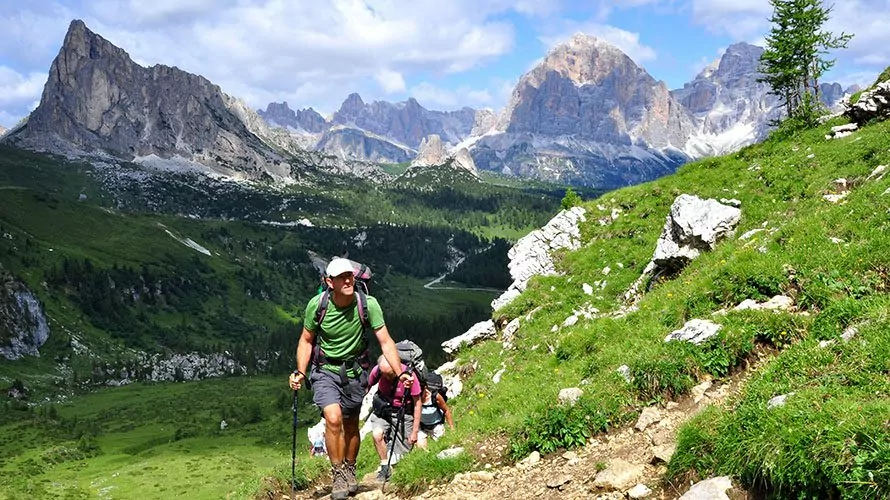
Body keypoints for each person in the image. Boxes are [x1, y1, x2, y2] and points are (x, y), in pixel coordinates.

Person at [288, 258, 412, 500]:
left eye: (350, 275)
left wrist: (401, 372)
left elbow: (385, 340)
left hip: (355, 373)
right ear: (329, 282)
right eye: (341, 277)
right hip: (324, 371)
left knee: (352, 425)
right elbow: (306, 339)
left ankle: (350, 467)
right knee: (333, 419)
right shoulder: (318, 305)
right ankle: (338, 474)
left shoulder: (367, 304)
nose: (347, 280)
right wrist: (301, 372)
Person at [367, 355, 422, 483]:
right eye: (384, 374)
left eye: (390, 374)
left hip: (403, 413)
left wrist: (415, 431)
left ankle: (400, 473)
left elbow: (417, 403)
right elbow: (367, 386)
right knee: (377, 434)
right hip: (383, 410)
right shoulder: (378, 371)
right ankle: (384, 467)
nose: (387, 377)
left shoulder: (410, 377)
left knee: (404, 451)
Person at [416, 384, 454, 449]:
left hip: (436, 426)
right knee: (421, 449)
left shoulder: (435, 397)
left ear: (425, 388)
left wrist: (452, 428)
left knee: (442, 446)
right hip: (422, 426)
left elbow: (446, 410)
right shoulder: (414, 398)